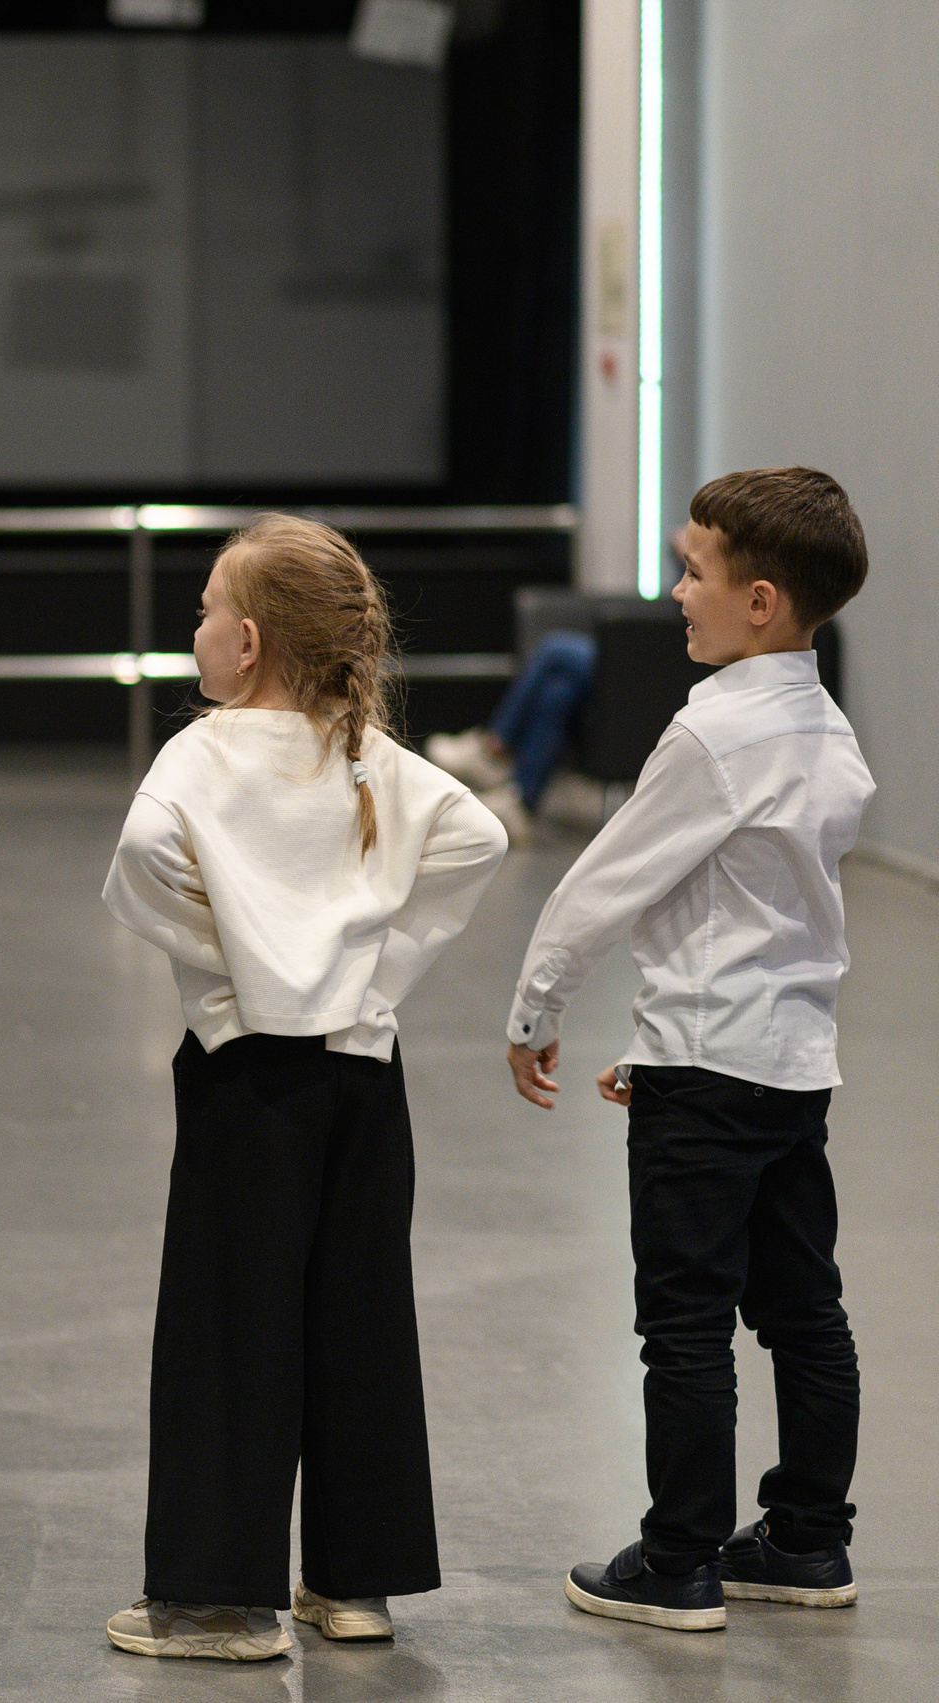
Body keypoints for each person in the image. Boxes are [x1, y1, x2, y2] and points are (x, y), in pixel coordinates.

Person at [100, 516, 509, 1660]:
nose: (191, 628)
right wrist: (377, 968)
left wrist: (234, 972)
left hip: (245, 1076)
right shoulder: (365, 749)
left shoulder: (201, 752)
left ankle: (216, 1599)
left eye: (200, 610)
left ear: (244, 639)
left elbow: (137, 864)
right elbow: (476, 838)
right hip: (362, 1069)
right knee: (357, 1314)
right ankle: (354, 1580)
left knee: (230, 1322)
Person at [505, 467, 873, 1632]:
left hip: (707, 1073)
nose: (675, 592)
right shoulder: (825, 724)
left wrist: (535, 1009)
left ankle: (678, 1562)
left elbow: (602, 884)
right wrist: (656, 1046)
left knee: (684, 1322)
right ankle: (809, 1540)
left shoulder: (713, 730)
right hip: (788, 1068)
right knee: (804, 1311)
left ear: (759, 599)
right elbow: (756, 914)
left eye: (692, 569)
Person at [425, 628, 598, 844]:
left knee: (554, 649)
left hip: (642, 664)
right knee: (557, 695)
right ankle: (520, 802)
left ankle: (494, 748)